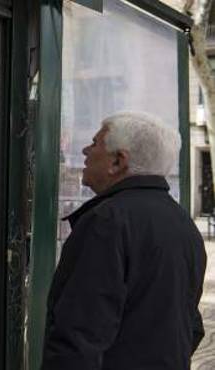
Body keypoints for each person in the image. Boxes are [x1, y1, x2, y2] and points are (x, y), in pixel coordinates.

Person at [42, 112, 206, 370]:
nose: (85, 150)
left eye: (95, 143)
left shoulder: (106, 222)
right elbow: (191, 327)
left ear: (118, 161)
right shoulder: (184, 224)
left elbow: (79, 335)